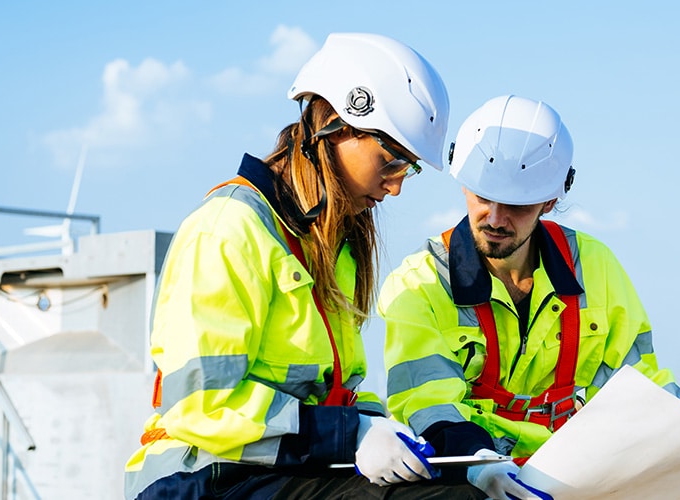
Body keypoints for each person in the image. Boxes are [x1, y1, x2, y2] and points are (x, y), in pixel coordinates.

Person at [124, 32, 486, 499]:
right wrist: (351, 433)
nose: (395, 188)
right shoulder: (228, 229)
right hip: (202, 476)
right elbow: (203, 404)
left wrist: (394, 436)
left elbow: (337, 392)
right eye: (392, 161)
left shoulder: (333, 247)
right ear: (336, 125)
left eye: (407, 169)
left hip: (281, 469)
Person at [378, 95, 680, 500]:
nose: (494, 218)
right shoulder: (419, 283)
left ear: (550, 201)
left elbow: (640, 385)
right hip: (478, 478)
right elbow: (428, 405)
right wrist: (483, 469)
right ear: (463, 183)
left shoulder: (593, 264)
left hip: (584, 477)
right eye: (483, 197)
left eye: (516, 205)